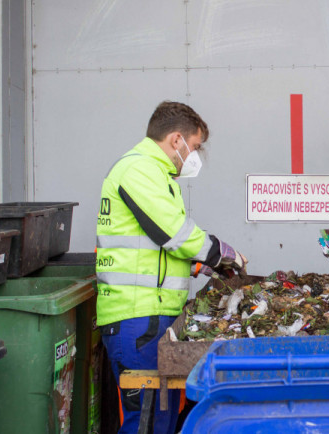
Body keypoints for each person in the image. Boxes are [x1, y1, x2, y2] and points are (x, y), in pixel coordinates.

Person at [95, 101, 247, 433]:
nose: (195, 156)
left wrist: (199, 266)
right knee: (145, 422)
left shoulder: (157, 176)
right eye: (194, 147)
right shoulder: (138, 170)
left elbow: (156, 246)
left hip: (151, 317)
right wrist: (221, 253)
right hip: (136, 319)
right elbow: (175, 234)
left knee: (160, 420)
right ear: (176, 139)